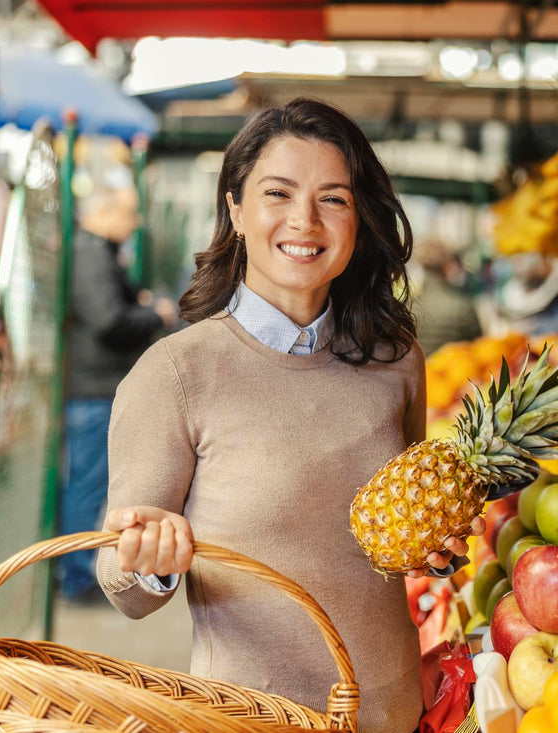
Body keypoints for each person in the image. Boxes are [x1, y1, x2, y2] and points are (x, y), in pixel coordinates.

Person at [96, 98, 482, 733]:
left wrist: (433, 553)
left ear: (359, 220)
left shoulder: (398, 361)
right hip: (247, 720)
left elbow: (392, 552)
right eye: (278, 193)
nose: (305, 220)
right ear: (236, 210)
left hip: (392, 711)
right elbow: (122, 583)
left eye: (333, 198)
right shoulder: (175, 374)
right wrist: (152, 562)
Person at [59, 166, 176, 603]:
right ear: (102, 212)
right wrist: (155, 316)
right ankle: (73, 577)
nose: (135, 222)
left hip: (99, 385)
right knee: (87, 485)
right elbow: (108, 319)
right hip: (93, 390)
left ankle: (74, 573)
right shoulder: (90, 255)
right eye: (128, 213)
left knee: (89, 484)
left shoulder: (101, 252)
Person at [411, 238, 482, 355]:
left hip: (419, 371)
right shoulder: (463, 306)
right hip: (453, 372)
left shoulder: (408, 307)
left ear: (422, 265)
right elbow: (477, 347)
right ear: (446, 265)